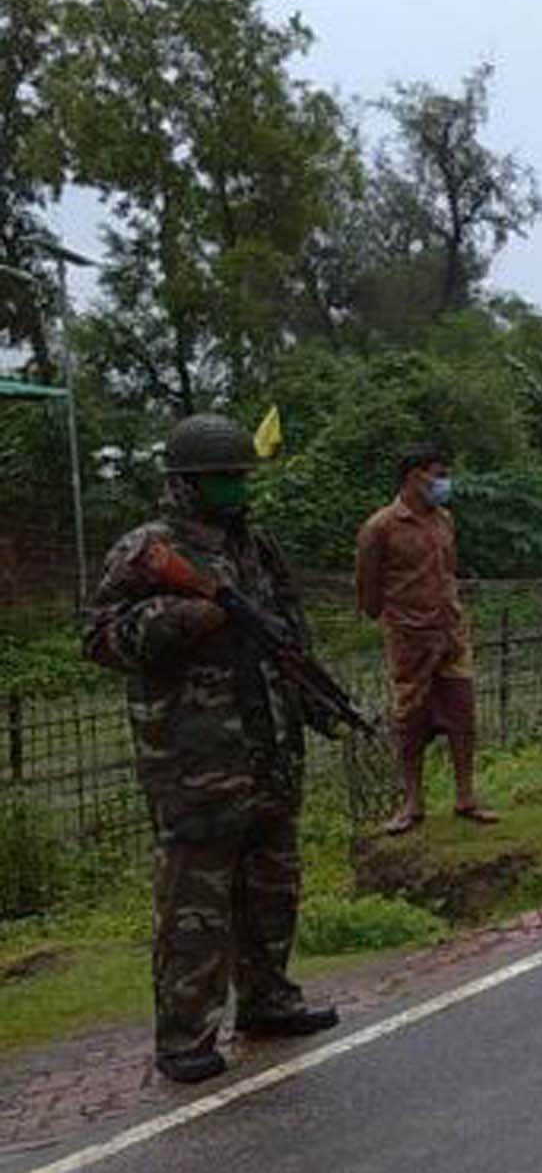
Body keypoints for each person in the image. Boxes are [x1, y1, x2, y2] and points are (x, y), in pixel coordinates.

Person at [84, 414, 340, 1084]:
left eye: (239, 476)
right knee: (194, 903)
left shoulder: (255, 544)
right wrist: (190, 615)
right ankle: (185, 1036)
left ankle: (269, 1000)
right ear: (187, 482)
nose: (235, 488)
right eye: (222, 478)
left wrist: (310, 694)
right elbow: (100, 638)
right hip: (195, 759)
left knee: (272, 887)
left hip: (269, 748)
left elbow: (287, 627)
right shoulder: (148, 549)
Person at [357, 444, 498, 836]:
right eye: (438, 474)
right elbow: (368, 593)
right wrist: (398, 620)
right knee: (411, 720)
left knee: (462, 712)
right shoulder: (379, 527)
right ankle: (413, 802)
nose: (443, 482)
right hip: (409, 639)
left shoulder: (444, 519)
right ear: (413, 476)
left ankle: (466, 796)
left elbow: (448, 571)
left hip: (451, 632)